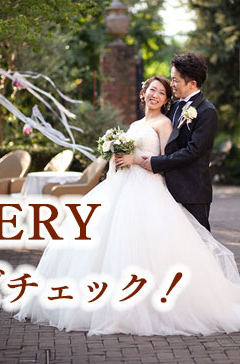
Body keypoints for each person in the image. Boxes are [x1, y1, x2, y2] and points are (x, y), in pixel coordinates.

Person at [15, 72, 240, 335]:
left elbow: (167, 163)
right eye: (151, 90)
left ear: (166, 100)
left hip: (149, 190)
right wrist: (117, 156)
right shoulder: (134, 125)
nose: (155, 95)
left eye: (161, 93)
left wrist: (136, 160)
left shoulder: (164, 124)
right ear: (143, 93)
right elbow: (124, 159)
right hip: (120, 186)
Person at [139, 52, 218, 231]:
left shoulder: (207, 111)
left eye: (175, 80)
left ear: (192, 83)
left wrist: (156, 162)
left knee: (200, 245)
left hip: (193, 192)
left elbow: (193, 151)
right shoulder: (172, 107)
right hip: (168, 190)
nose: (171, 84)